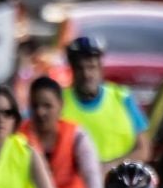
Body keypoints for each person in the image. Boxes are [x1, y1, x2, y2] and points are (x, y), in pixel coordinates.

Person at [21, 74, 102, 188]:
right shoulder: (18, 136)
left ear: (61, 105)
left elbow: (91, 172)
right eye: (35, 105)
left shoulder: (77, 134)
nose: (40, 112)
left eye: (47, 106)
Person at [61, 35, 147, 164]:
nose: (86, 74)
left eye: (91, 67)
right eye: (80, 68)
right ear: (72, 70)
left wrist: (108, 168)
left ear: (100, 68)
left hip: (119, 179)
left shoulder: (122, 97)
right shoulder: (59, 101)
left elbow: (144, 150)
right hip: (76, 181)